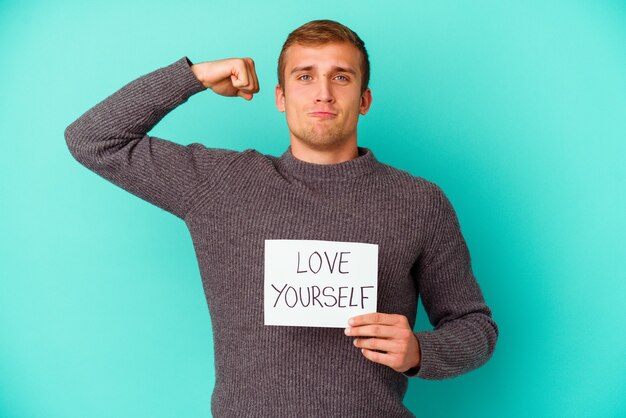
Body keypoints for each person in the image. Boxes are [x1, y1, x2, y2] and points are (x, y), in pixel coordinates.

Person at [65, 19, 498, 418]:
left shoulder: (419, 201)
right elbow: (93, 139)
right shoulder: (221, 183)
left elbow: (475, 327)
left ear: (364, 100)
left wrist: (421, 351)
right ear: (281, 96)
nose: (323, 92)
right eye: (305, 76)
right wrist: (192, 76)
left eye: (341, 77)